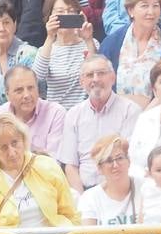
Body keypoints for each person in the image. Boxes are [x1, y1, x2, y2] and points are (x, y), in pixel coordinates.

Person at [97, 0, 161, 109]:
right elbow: (100, 82)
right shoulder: (112, 43)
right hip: (116, 115)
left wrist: (145, 118)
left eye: (155, 6)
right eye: (144, 6)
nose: (151, 12)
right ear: (131, 10)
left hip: (156, 116)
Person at [59, 55, 138, 191]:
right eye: (89, 75)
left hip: (119, 189)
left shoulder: (130, 111)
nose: (95, 79)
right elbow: (70, 166)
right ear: (81, 81)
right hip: (83, 190)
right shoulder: (73, 115)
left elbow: (129, 160)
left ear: (112, 77)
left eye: (101, 73)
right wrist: (82, 200)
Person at [0, 66, 66, 158]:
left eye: (31, 88)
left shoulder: (55, 113)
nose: (27, 95)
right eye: (19, 90)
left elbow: (53, 161)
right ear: (7, 95)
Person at [33, 0, 97, 109]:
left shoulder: (90, 43)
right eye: (60, 12)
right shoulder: (46, 49)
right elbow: (37, 77)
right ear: (50, 16)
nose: (66, 15)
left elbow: (96, 72)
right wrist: (50, 36)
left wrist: (88, 39)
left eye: (71, 11)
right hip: (57, 113)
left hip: (86, 111)